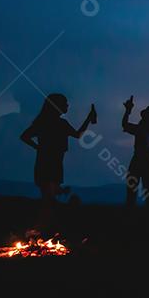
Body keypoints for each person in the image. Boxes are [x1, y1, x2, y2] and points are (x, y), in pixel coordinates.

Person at [19, 93, 96, 226]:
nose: (67, 105)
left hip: (48, 163)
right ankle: (43, 229)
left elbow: (25, 136)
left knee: (48, 199)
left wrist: (38, 147)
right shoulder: (59, 124)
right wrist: (89, 118)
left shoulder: (45, 123)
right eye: (65, 103)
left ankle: (44, 229)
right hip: (50, 164)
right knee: (49, 200)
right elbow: (78, 135)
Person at [121, 95, 149, 207]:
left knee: (136, 193)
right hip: (144, 162)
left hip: (139, 162)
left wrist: (127, 111)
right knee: (145, 193)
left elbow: (125, 125)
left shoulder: (143, 130)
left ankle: (134, 215)